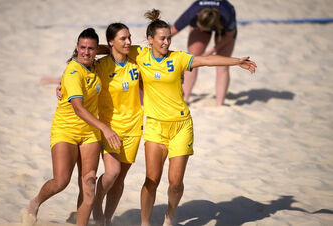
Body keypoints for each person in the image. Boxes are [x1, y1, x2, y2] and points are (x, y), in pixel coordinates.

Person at [127, 9, 256, 226]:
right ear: (150, 40)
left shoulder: (178, 58)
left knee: (175, 182)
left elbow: (206, 60)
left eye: (169, 37)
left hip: (181, 126)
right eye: (162, 38)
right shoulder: (139, 54)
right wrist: (87, 51)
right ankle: (145, 223)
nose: (167, 42)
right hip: (155, 126)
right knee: (151, 180)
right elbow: (113, 48)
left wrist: (235, 61)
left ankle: (169, 215)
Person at [21, 28, 121, 226]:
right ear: (76, 48)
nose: (86, 52)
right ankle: (35, 203)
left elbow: (110, 49)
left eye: (91, 49)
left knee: (89, 185)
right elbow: (78, 109)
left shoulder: (93, 64)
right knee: (61, 181)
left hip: (89, 133)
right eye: (82, 48)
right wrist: (105, 128)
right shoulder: (74, 72)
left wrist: (106, 48)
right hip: (66, 130)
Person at [92, 23, 143, 226]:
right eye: (123, 38)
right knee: (111, 172)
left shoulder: (135, 62)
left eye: (129, 37)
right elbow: (81, 74)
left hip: (134, 127)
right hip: (110, 126)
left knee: (120, 178)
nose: (128, 42)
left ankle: (107, 219)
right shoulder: (101, 65)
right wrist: (61, 86)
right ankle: (96, 201)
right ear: (111, 41)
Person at [170, 0, 237, 106]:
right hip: (205, 16)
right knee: (192, 60)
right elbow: (172, 31)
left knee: (222, 65)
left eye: (202, 28)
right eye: (198, 26)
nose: (199, 29)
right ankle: (184, 99)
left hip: (224, 28)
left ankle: (220, 104)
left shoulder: (226, 16)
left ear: (212, 26)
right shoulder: (192, 13)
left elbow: (229, 35)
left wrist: (211, 51)